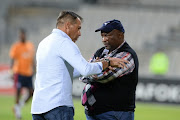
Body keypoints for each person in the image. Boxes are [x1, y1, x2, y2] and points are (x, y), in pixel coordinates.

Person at [31, 11, 128, 120]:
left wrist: (94, 65)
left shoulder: (44, 42)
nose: (80, 33)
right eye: (78, 28)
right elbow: (85, 70)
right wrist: (107, 62)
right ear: (68, 26)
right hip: (57, 107)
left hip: (38, 108)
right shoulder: (65, 42)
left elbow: (68, 72)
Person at [80, 19, 139, 120]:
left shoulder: (127, 54)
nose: (104, 39)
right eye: (102, 36)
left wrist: (95, 66)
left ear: (120, 35)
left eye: (107, 35)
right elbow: (83, 73)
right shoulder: (100, 51)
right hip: (93, 111)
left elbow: (105, 77)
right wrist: (105, 63)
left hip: (115, 112)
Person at [9, 28, 35, 120]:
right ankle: (18, 115)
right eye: (20, 35)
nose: (22, 36)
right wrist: (11, 71)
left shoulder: (30, 46)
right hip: (18, 72)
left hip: (28, 73)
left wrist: (35, 69)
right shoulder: (16, 46)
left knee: (32, 92)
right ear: (19, 36)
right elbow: (12, 59)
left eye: (23, 34)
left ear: (25, 35)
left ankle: (18, 107)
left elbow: (32, 59)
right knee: (18, 91)